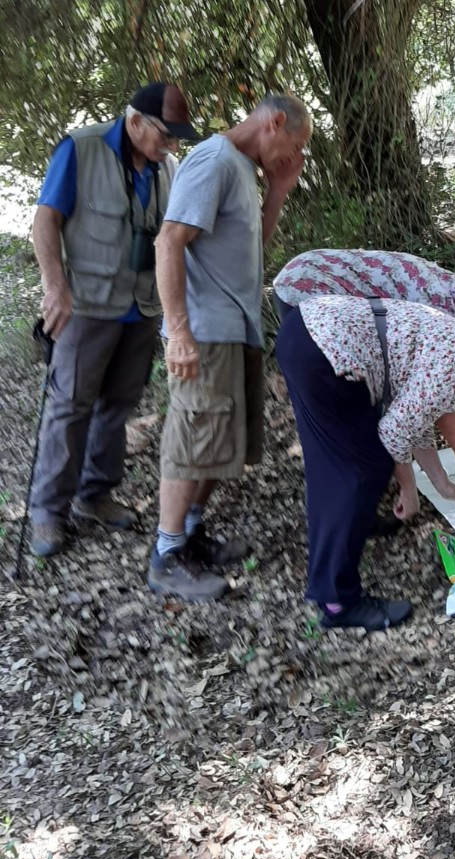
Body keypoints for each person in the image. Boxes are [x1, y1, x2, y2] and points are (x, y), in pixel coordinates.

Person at [275, 295, 455, 632]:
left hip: (307, 333)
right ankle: (338, 602)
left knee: (338, 467)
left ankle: (350, 529)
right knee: (365, 468)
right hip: (325, 351)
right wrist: (409, 489)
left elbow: (417, 419)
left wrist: (443, 486)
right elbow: (394, 432)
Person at [147, 93, 311, 601]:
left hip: (236, 329)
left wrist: (279, 189)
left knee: (223, 446)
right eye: (294, 145)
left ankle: (190, 534)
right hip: (205, 329)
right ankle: (166, 555)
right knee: (193, 439)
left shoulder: (242, 168)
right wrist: (178, 332)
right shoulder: (212, 160)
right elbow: (169, 241)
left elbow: (252, 246)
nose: (291, 155)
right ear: (275, 122)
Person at [28, 82, 199, 558]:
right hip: (86, 306)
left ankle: (95, 496)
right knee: (70, 406)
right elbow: (45, 221)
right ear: (136, 121)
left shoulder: (169, 167)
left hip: (141, 308)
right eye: (166, 134)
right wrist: (55, 287)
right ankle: (47, 513)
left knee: (117, 406)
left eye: (177, 138)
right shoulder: (80, 149)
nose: (172, 144)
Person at [273, 249, 455, 493]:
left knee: (371, 408)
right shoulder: (440, 312)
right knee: (347, 408)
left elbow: (420, 401)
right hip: (306, 288)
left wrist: (453, 468)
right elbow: (429, 400)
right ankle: (351, 491)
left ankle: (364, 484)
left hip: (307, 275)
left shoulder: (449, 289)